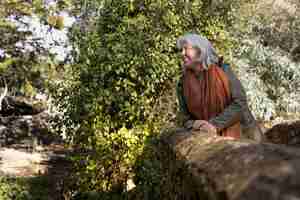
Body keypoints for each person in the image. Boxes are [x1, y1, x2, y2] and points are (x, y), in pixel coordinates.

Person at [176, 33, 263, 141]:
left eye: (186, 49)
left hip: (244, 136)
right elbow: (184, 118)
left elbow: (240, 102)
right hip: (206, 139)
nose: (182, 53)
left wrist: (214, 125)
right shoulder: (182, 83)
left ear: (200, 50)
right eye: (181, 50)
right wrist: (196, 124)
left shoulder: (223, 70)